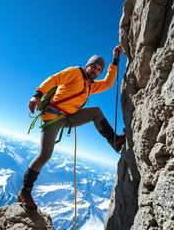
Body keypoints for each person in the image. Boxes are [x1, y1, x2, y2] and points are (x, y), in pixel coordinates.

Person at [17, 45, 125, 212]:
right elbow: (54, 79)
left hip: (68, 118)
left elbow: (108, 84)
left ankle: (115, 141)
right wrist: (38, 94)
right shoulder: (75, 72)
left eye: (98, 70)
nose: (95, 71)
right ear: (87, 65)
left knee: (96, 112)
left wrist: (116, 60)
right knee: (45, 154)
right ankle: (25, 191)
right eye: (94, 67)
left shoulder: (91, 85)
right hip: (53, 116)